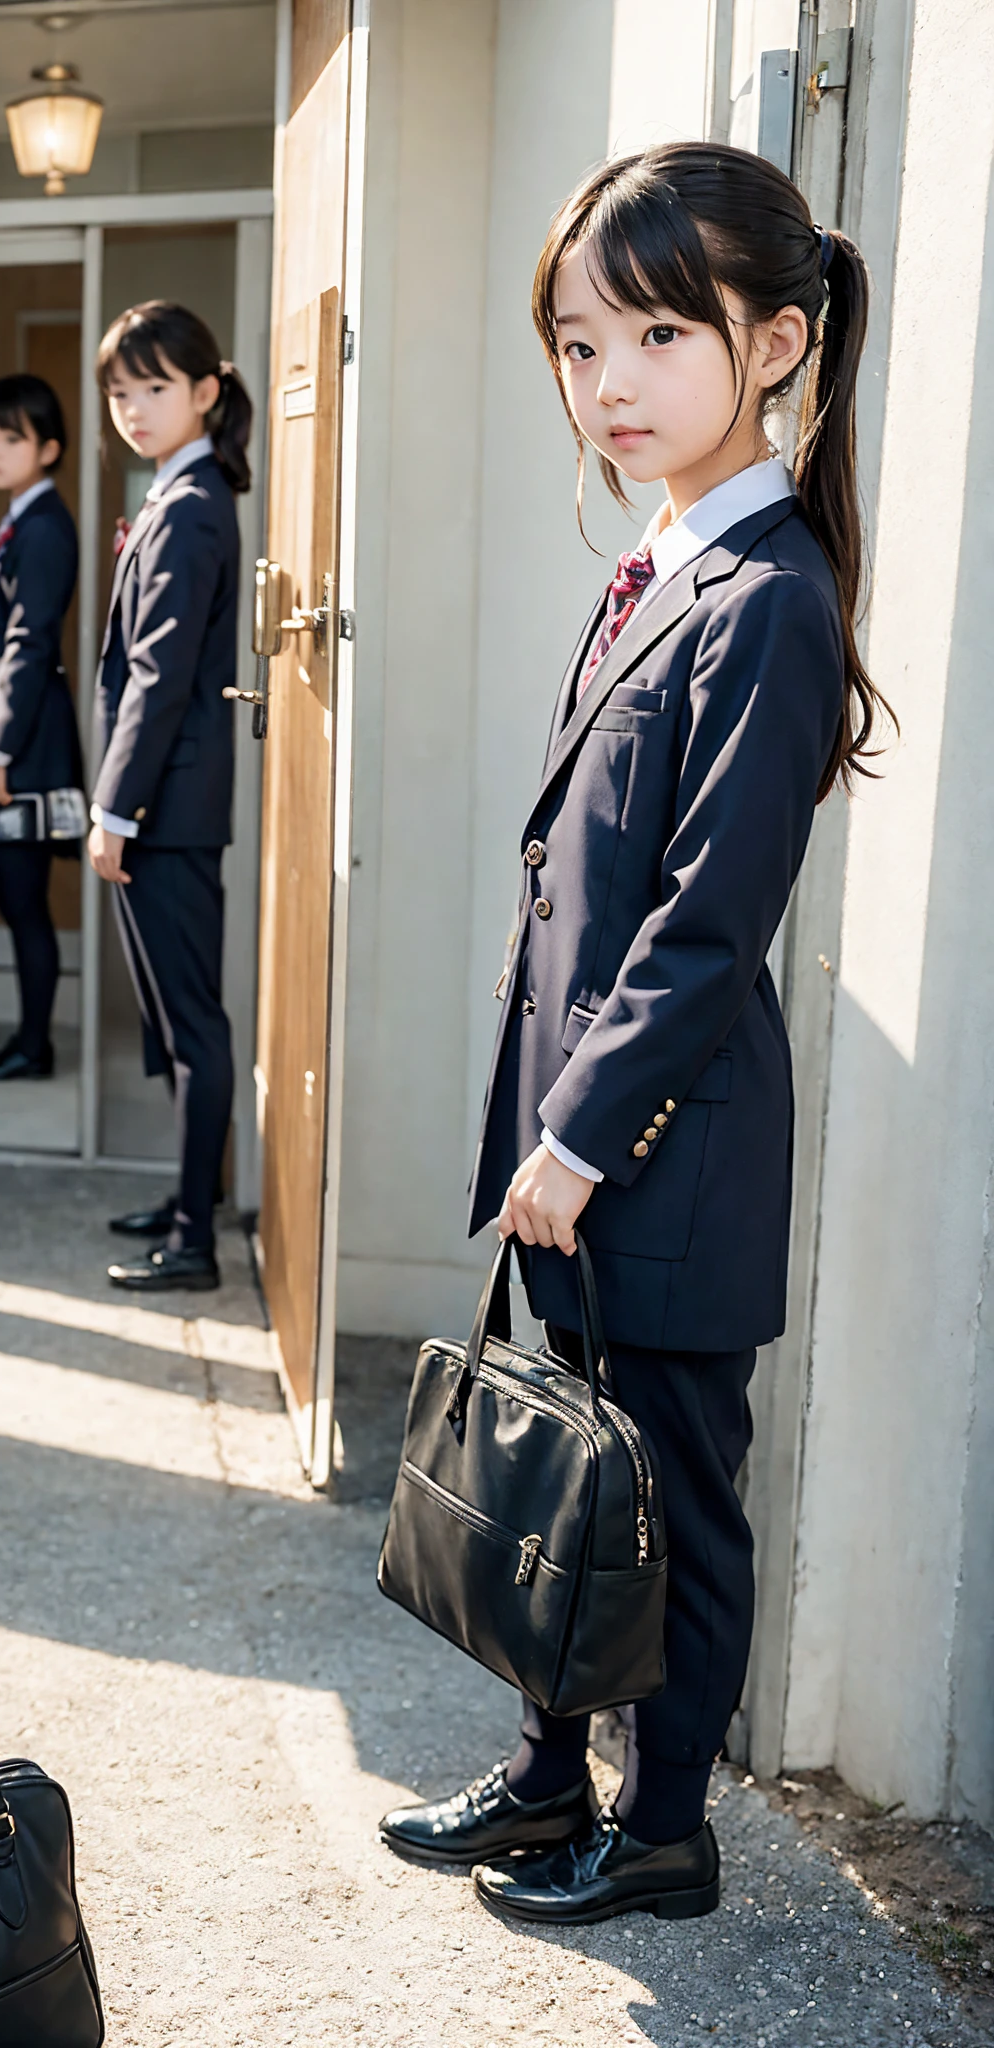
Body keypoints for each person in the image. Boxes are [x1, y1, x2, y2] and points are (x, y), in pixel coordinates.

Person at [378, 142, 885, 1925]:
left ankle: (660, 1821)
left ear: (769, 342)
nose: (607, 383)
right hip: (583, 1136)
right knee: (572, 1481)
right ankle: (541, 1778)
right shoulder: (658, 562)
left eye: (656, 334)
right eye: (579, 345)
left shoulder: (764, 597)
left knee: (668, 1495)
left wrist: (576, 1134)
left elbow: (700, 922)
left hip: (657, 1146)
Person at [87, 301, 250, 1293]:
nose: (133, 409)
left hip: (167, 811)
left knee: (192, 1026)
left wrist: (115, 810)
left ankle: (193, 1237)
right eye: (119, 391)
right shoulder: (174, 492)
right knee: (173, 1021)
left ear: (203, 391)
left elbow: (158, 675)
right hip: (164, 805)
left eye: (153, 388)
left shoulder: (190, 506)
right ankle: (184, 1200)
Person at [0, 372, 84, 1082]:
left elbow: (29, 643)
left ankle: (35, 1046)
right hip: (17, 748)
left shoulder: (42, 529)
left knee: (25, 905)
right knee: (20, 905)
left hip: (23, 753)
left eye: (12, 437)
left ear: (49, 447)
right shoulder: (22, 522)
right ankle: (27, 1039)